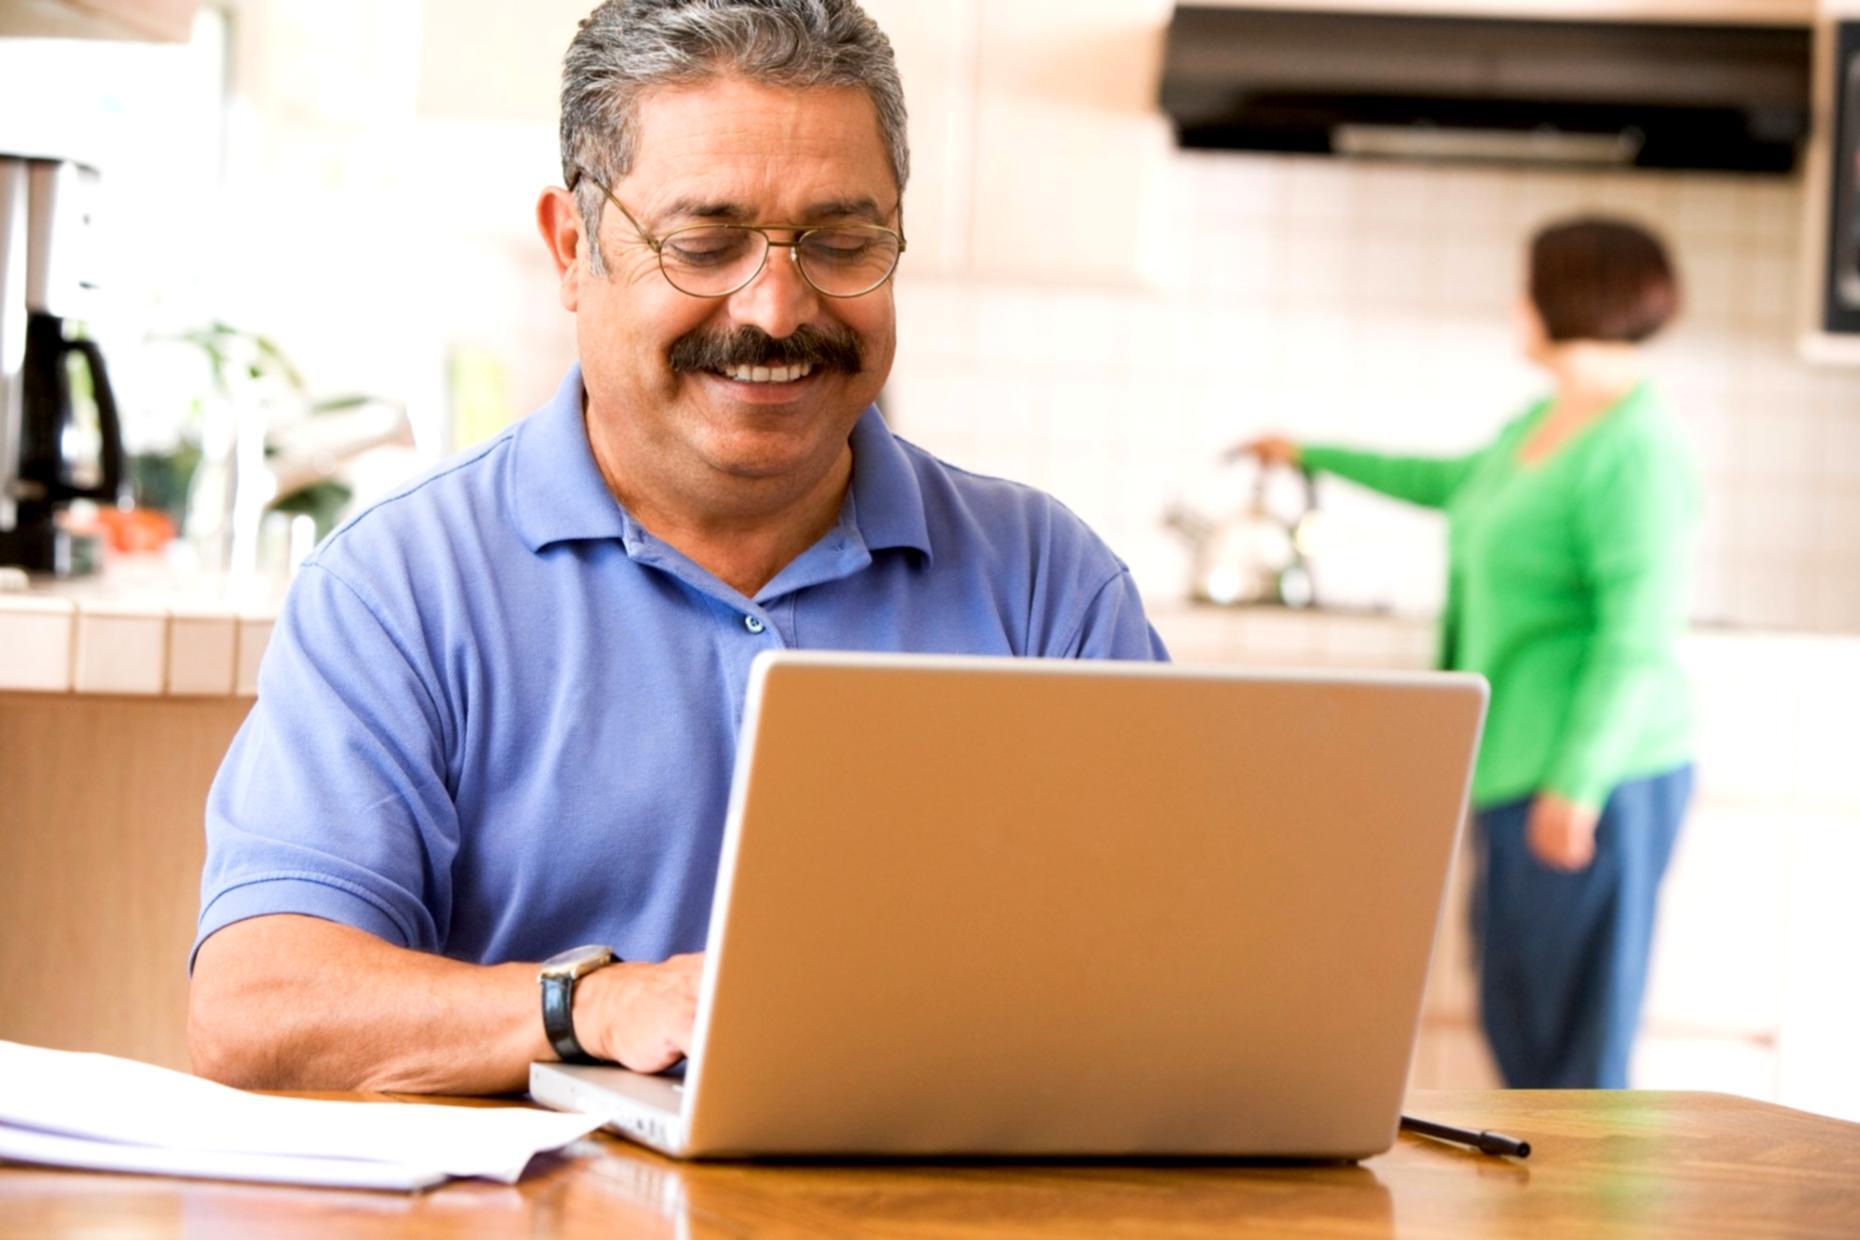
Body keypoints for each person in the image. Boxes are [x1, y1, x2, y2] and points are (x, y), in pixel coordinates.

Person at [188, 0, 1166, 1096]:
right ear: (572, 248)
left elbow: (1187, 971)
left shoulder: (1048, 585)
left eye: (844, 244)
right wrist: (591, 1005)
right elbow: (257, 1009)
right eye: (706, 244)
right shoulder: (400, 588)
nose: (778, 306)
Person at [1238, 217, 1698, 1089]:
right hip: (1516, 764)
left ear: (1573, 294)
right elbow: (1449, 485)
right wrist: (1311, 452)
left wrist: (1580, 783)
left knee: (1574, 1053)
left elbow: (1635, 640)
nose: (1514, 303)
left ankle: (1588, 1228)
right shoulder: (1549, 423)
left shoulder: (1637, 449)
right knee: (1517, 1023)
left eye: (1529, 285)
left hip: (1595, 779)